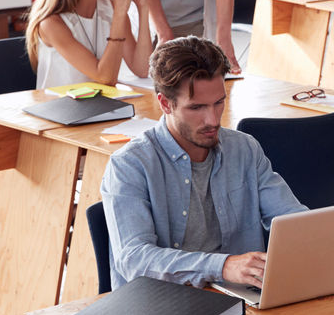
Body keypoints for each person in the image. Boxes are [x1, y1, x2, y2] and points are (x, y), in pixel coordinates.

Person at [100, 37, 305, 289]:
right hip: (162, 306)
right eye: (197, 107)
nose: (212, 119)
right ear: (165, 103)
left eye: (219, 102)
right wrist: (224, 266)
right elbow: (134, 260)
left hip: (239, 299)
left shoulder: (244, 149)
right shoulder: (129, 165)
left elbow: (293, 221)